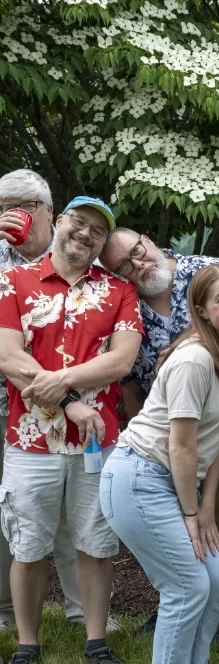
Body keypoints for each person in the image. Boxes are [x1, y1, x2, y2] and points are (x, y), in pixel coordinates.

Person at [100, 227, 219, 648]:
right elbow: (136, 385)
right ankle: (181, 598)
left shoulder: (205, 273)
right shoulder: (127, 305)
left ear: (148, 240)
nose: (137, 263)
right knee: (181, 527)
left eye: (137, 251)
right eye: (124, 264)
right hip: (173, 445)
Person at [0, 196, 143, 664]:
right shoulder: (14, 281)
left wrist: (61, 382)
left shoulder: (120, 291)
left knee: (95, 542)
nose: (84, 235)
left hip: (95, 443)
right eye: (78, 224)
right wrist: (69, 403)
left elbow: (121, 360)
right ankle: (26, 645)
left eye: (96, 232)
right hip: (29, 440)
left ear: (103, 244)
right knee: (29, 545)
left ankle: (97, 643)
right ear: (58, 222)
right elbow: (8, 357)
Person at [0, 170, 100, 636]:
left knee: (70, 516)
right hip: (10, 406)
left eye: (20, 204)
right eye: (2, 206)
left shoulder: (77, 256)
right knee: (18, 510)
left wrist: (66, 400)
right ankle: (8, 612)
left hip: (59, 402)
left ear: (47, 211)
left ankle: (82, 612)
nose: (10, 214)